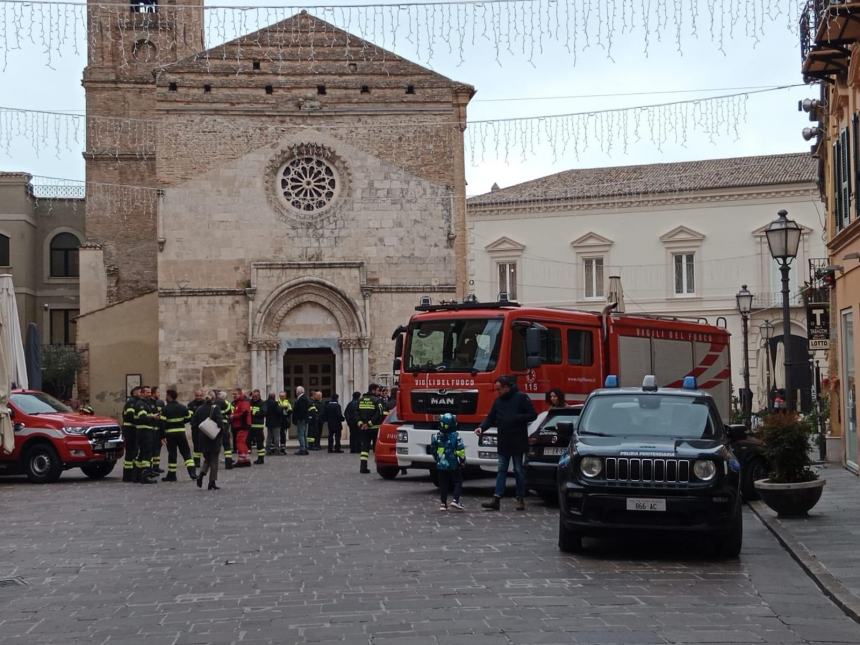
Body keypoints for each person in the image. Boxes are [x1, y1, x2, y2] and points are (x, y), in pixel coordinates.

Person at [476, 375, 536, 511]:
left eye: (499, 389)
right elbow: (491, 417)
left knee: (518, 470)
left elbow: (533, 414)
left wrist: (516, 418)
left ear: (506, 387)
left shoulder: (521, 397)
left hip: (517, 439)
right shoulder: (498, 401)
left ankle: (520, 498)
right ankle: (496, 498)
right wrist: (482, 427)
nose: (498, 392)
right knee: (501, 469)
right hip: (504, 440)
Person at [432, 413, 466, 511]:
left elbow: (433, 449)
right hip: (453, 463)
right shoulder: (456, 436)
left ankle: (443, 504)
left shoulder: (436, 436)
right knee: (457, 481)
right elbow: (460, 450)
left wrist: (437, 459)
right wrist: (462, 460)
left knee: (443, 483)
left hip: (441, 463)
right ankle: (455, 500)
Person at [161, 389, 197, 481]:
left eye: (166, 395)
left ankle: (172, 475)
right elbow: (189, 417)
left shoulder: (165, 408)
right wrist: (181, 422)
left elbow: (163, 422)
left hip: (170, 434)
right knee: (186, 453)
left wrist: (162, 435)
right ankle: (192, 473)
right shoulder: (182, 407)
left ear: (169, 396)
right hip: (181, 433)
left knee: (172, 454)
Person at [191, 391, 224, 490]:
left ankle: (201, 475)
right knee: (214, 460)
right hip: (213, 438)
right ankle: (212, 482)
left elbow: (194, 423)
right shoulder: (215, 408)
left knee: (208, 459)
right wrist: (222, 432)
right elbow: (220, 423)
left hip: (203, 438)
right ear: (213, 399)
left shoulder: (199, 409)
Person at [134, 385, 161, 484]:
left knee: (141, 454)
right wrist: (153, 417)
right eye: (147, 392)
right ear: (141, 393)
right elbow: (142, 418)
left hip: (145, 431)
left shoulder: (146, 403)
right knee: (147, 453)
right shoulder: (141, 404)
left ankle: (137, 475)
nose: (149, 394)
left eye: (150, 392)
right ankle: (145, 476)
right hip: (145, 431)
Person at [356, 384, 384, 474]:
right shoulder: (377, 400)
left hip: (364, 429)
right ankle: (379, 468)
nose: (379, 392)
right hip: (375, 428)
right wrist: (369, 423)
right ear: (373, 391)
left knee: (364, 449)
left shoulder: (360, 400)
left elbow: (356, 413)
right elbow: (379, 413)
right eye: (378, 390)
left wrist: (361, 424)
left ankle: (363, 467)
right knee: (377, 449)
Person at [121, 387, 140, 482]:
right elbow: (130, 416)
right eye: (139, 391)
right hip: (130, 429)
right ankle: (128, 475)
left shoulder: (134, 402)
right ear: (134, 392)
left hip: (132, 429)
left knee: (133, 452)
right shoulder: (131, 402)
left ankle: (130, 474)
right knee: (131, 452)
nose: (141, 393)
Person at [231, 388, 252, 467]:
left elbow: (244, 413)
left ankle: (242, 460)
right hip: (240, 425)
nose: (234, 396)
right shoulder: (239, 402)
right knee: (241, 442)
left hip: (243, 425)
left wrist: (233, 416)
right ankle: (245, 459)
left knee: (240, 442)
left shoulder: (244, 402)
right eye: (233, 394)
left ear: (240, 394)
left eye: (235, 394)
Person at [187, 389, 207, 468]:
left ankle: (207, 460)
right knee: (196, 444)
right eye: (197, 395)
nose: (198, 397)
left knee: (206, 444)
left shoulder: (206, 403)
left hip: (205, 427)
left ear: (203, 396)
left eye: (200, 396)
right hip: (195, 427)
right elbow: (189, 416)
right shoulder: (191, 404)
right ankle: (197, 461)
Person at [215, 390, 233, 468]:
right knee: (227, 445)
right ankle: (228, 463)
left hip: (216, 425)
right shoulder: (227, 403)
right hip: (225, 425)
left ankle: (214, 461)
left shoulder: (214, 403)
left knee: (216, 444)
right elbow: (230, 411)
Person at [248, 389, 266, 465]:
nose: (254, 397)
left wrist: (254, 412)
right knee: (247, 442)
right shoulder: (249, 402)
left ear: (259, 396)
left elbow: (264, 413)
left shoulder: (262, 403)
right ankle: (246, 457)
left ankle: (261, 458)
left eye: (256, 396)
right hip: (250, 426)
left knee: (260, 444)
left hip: (258, 426)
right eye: (253, 396)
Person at [293, 386, 309, 455]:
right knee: (304, 434)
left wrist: (298, 419)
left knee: (301, 434)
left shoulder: (302, 399)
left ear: (298, 392)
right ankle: (305, 448)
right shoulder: (304, 398)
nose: (296, 392)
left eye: (296, 391)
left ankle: (302, 449)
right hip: (304, 419)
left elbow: (301, 410)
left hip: (301, 419)